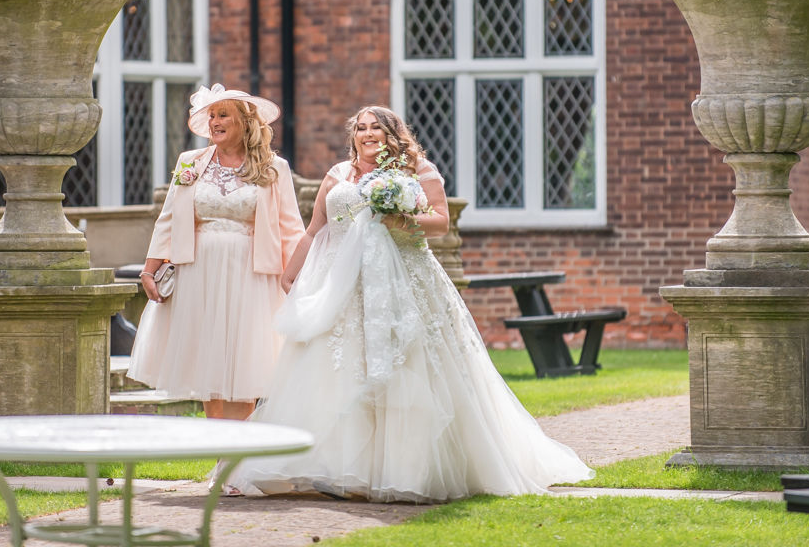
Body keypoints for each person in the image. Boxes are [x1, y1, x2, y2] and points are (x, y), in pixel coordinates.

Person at [230, 105, 593, 502]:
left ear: (393, 134)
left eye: (377, 128)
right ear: (353, 136)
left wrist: (401, 219)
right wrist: (291, 272)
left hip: (404, 280)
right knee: (337, 367)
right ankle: (337, 468)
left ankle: (403, 467)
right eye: (361, 128)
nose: (368, 134)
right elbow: (316, 229)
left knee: (407, 363)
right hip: (342, 286)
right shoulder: (337, 175)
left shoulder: (417, 170)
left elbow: (440, 222)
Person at [127, 83, 305, 422]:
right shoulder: (190, 163)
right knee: (209, 369)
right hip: (199, 272)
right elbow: (168, 219)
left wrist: (299, 276)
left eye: (223, 114)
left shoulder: (273, 167)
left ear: (245, 122)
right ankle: (220, 459)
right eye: (211, 115)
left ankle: (237, 463)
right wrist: (149, 269)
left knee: (244, 368)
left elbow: (291, 227)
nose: (215, 122)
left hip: (251, 275)